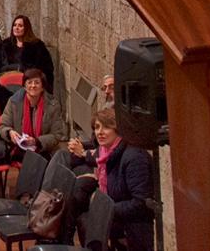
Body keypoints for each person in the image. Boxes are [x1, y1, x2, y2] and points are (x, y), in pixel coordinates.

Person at [63, 107, 154, 250]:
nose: (100, 132)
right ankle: (63, 241)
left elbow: (140, 204)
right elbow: (79, 159)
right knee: (77, 199)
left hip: (132, 227)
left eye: (106, 127)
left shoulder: (135, 157)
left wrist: (103, 208)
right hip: (116, 215)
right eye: (97, 127)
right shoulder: (106, 151)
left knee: (86, 217)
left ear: (118, 129)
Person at [0, 69, 65, 160]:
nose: (33, 86)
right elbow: (3, 126)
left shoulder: (53, 105)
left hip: (43, 149)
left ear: (42, 87)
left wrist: (36, 141)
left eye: (37, 83)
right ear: (24, 86)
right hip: (19, 148)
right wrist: (10, 132)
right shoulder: (14, 102)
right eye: (29, 83)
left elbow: (57, 135)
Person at [0, 14, 55, 92]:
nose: (16, 28)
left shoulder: (37, 46)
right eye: (14, 25)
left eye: (20, 26)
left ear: (26, 28)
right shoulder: (5, 44)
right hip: (8, 82)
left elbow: (46, 68)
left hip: (30, 83)